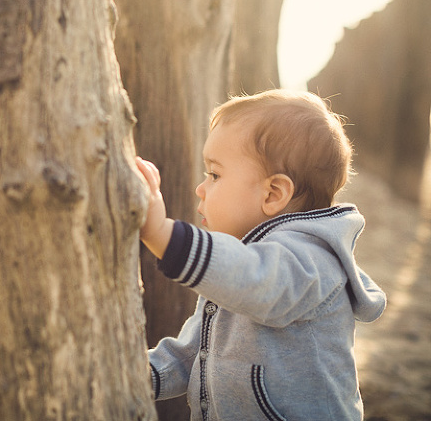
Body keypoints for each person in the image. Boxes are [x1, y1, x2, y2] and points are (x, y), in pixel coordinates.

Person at [136, 89, 386, 420]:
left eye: (214, 174)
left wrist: (161, 234)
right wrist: (132, 374)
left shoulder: (310, 262)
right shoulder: (243, 265)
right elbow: (191, 355)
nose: (200, 187)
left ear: (273, 194)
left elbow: (255, 281)